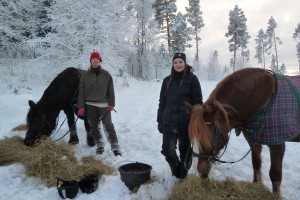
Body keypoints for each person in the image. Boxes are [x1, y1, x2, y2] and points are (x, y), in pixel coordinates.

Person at [157, 52, 203, 179]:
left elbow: (198, 103)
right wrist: (159, 121)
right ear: (172, 64)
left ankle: (182, 176)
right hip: (168, 122)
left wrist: (196, 122)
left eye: (180, 62)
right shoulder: (167, 80)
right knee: (167, 150)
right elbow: (162, 102)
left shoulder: (192, 79)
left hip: (186, 123)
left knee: (185, 153)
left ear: (185, 63)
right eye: (175, 62)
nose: (178, 64)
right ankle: (177, 171)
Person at [77, 51, 121, 156]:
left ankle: (115, 146)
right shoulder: (85, 76)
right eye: (93, 60)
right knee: (94, 127)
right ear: (91, 61)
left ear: (99, 61)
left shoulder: (106, 74)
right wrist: (81, 107)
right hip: (90, 106)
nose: (95, 61)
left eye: (97, 60)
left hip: (104, 106)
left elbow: (111, 90)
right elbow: (81, 92)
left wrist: (111, 103)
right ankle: (100, 145)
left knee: (108, 125)